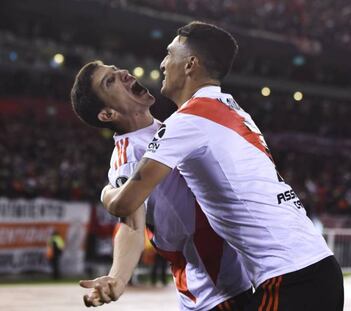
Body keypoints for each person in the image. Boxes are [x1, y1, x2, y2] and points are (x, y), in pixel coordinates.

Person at [102, 21, 344, 310]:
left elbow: (125, 202)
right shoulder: (232, 109)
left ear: (190, 64)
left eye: (169, 54)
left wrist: (106, 191)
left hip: (290, 278)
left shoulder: (186, 122)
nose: (164, 63)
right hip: (312, 267)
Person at [70, 61, 252, 310]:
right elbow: (132, 224)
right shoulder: (130, 156)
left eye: (116, 70)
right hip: (216, 290)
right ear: (108, 114)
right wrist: (118, 277)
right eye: (110, 81)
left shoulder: (169, 128)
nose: (122, 73)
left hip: (238, 276)